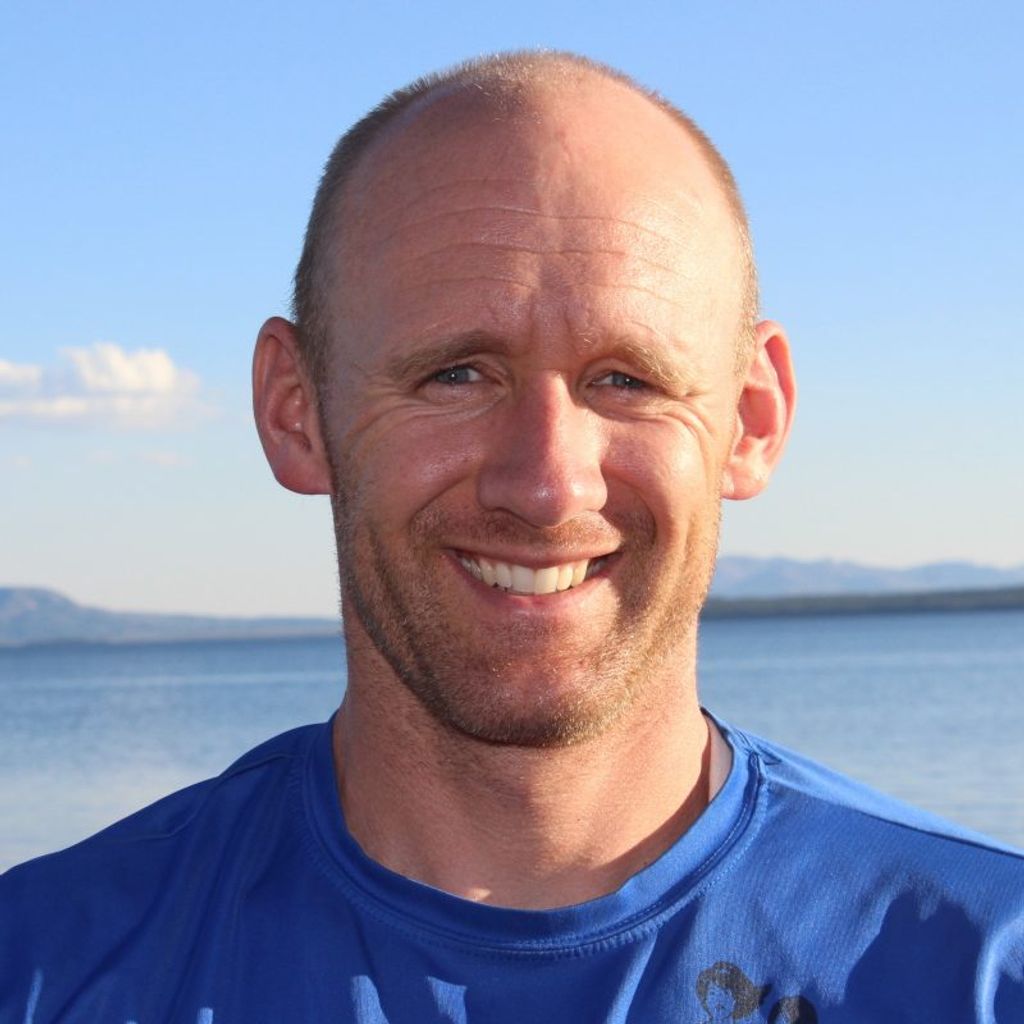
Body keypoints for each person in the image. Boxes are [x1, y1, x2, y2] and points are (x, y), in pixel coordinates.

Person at [1, 50, 1022, 1024]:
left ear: (752, 421)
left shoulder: (980, 971)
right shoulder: (46, 969)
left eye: (625, 379)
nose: (545, 484)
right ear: (294, 408)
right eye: (455, 374)